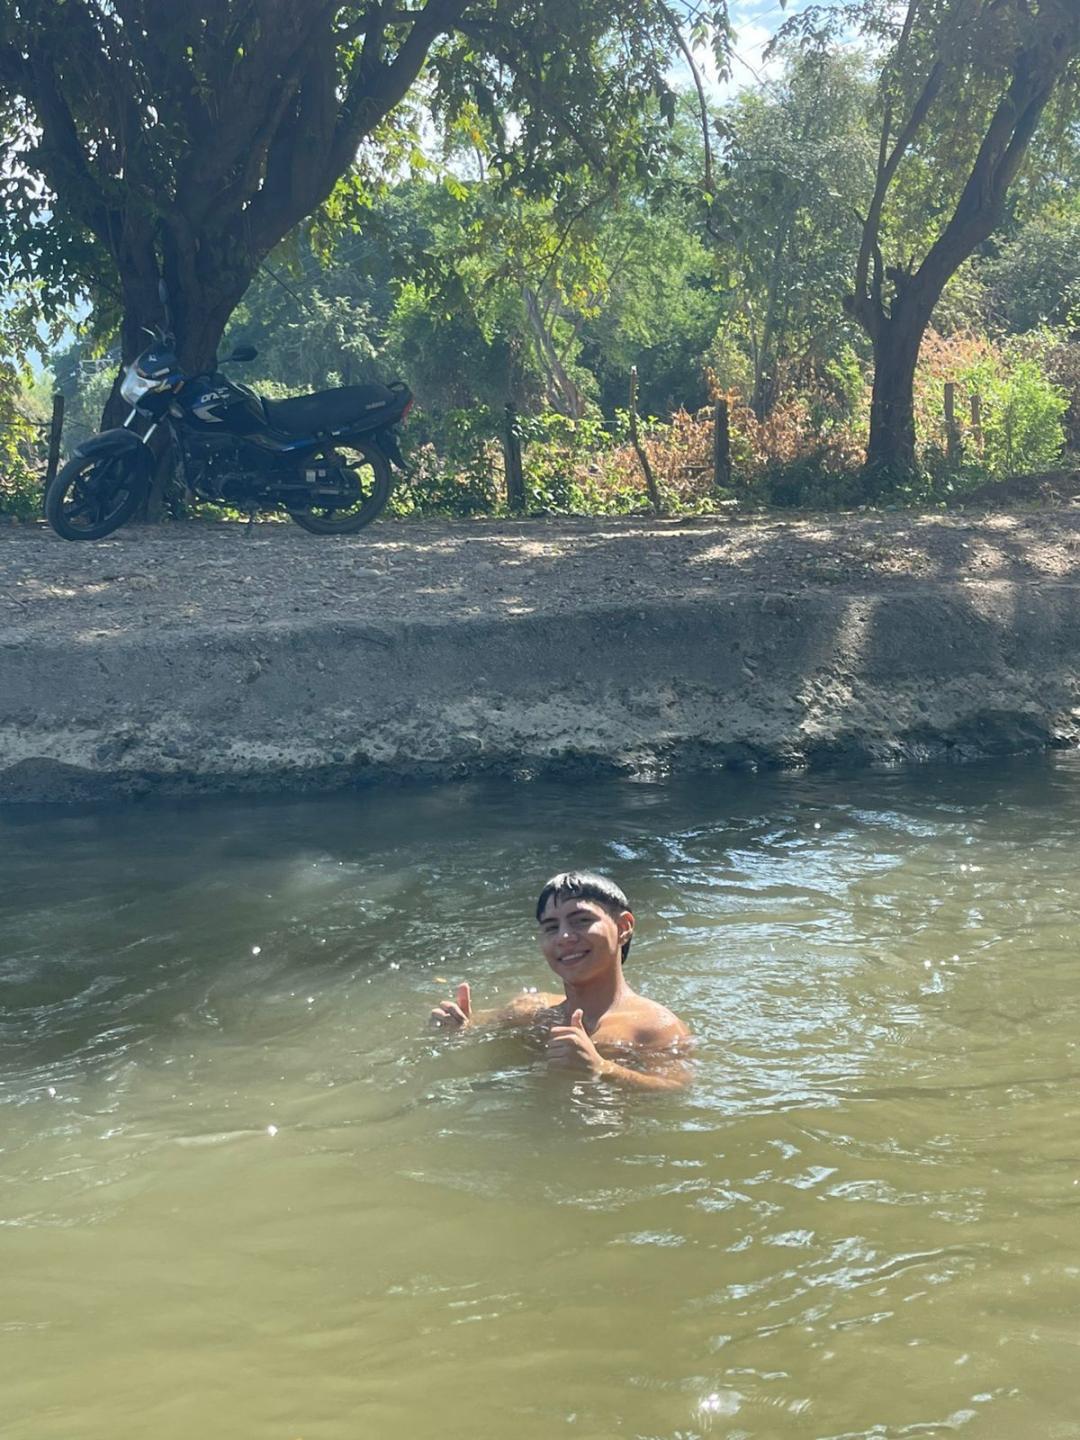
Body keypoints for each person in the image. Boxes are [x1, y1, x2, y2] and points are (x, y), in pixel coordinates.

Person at [429, 871, 691, 1092]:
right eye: (551, 927)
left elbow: (676, 1091)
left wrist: (603, 1069)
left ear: (623, 927)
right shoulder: (531, 1011)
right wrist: (455, 1028)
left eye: (582, 921)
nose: (564, 937)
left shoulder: (656, 1027)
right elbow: (471, 1028)